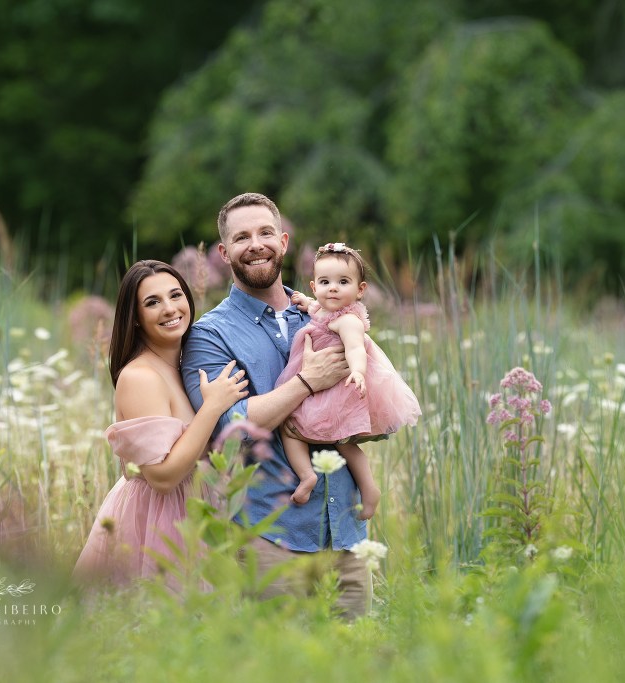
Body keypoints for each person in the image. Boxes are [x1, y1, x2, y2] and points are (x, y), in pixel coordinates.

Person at [181, 192, 371, 618]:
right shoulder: (208, 336)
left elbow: (368, 397)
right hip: (271, 536)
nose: (256, 244)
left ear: (283, 241)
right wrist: (306, 383)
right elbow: (227, 428)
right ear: (223, 252)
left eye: (265, 232)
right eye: (241, 237)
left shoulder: (325, 312)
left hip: (347, 533)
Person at [74, 260, 248, 584]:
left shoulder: (183, 366)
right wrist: (212, 408)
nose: (169, 309)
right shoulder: (141, 377)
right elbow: (162, 477)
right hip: (158, 523)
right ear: (136, 319)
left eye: (175, 295)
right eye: (152, 302)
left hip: (198, 512)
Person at [277, 242, 422, 520]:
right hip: (318, 385)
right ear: (314, 285)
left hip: (337, 389)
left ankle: (368, 488)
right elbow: (316, 309)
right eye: (325, 282)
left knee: (330, 438)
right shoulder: (323, 308)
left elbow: (355, 348)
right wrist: (306, 303)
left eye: (343, 282)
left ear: (360, 290)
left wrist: (357, 370)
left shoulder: (349, 321)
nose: (333, 288)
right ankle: (308, 476)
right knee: (297, 429)